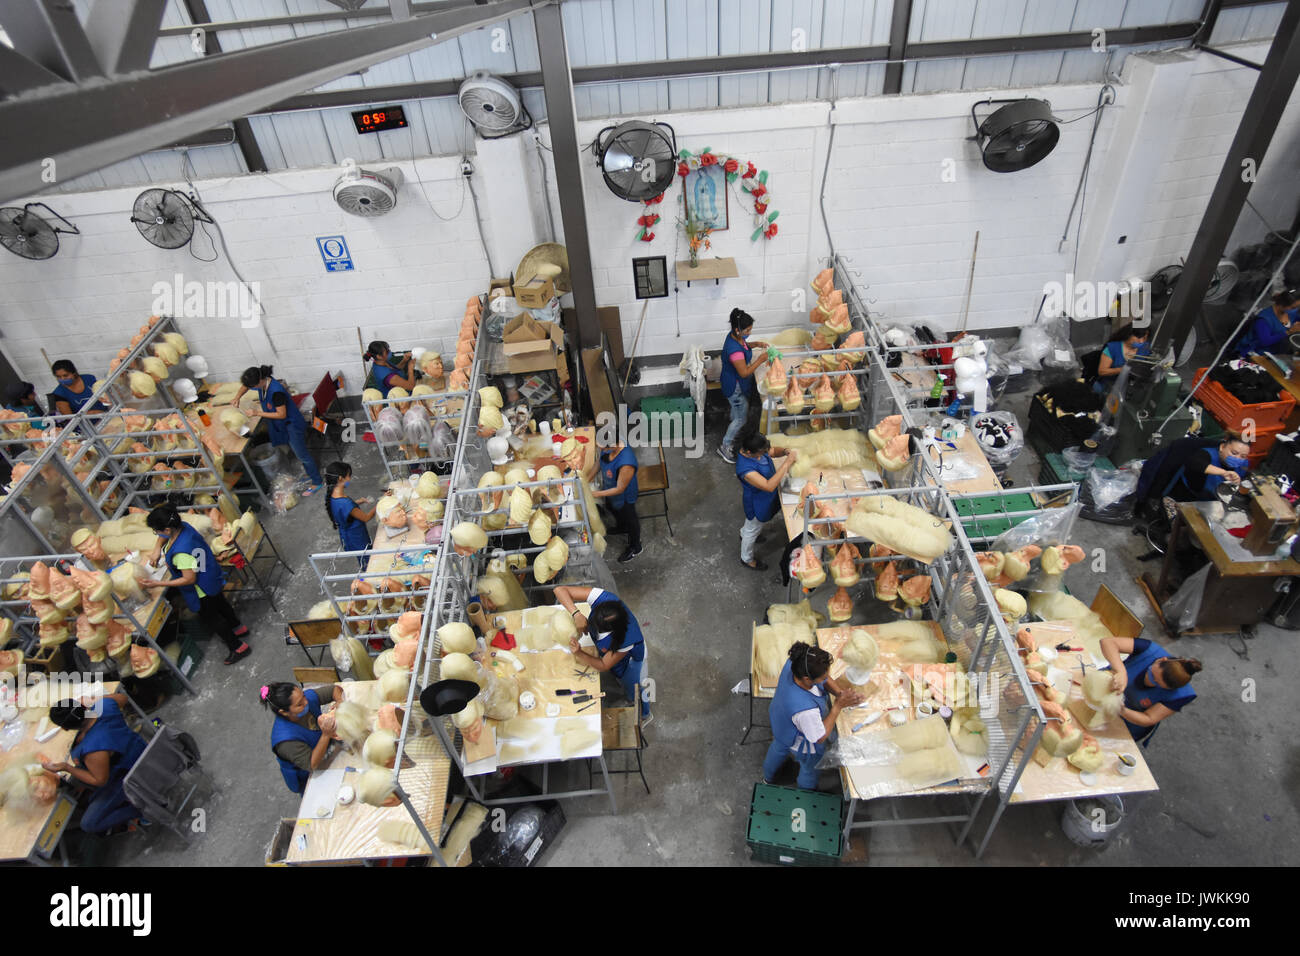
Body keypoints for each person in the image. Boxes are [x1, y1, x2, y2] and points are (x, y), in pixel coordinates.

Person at [142, 504, 251, 665]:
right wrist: (157, 548)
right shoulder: (183, 527)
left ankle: (237, 647)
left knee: (213, 618)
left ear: (166, 529)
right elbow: (164, 535)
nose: (157, 534)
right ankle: (238, 627)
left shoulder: (181, 553)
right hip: (210, 573)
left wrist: (159, 583)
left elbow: (189, 579)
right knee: (221, 603)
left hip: (201, 589)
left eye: (156, 530)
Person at [43, 692, 148, 834]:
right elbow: (123, 698)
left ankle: (142, 809)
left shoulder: (93, 749)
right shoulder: (104, 707)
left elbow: (99, 780)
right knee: (92, 796)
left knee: (90, 824)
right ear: (82, 706)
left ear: (65, 729)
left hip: (130, 776)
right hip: (143, 752)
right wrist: (95, 700)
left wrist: (66, 767)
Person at [763, 643, 862, 790]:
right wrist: (838, 706)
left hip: (780, 720)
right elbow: (819, 737)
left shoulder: (797, 661)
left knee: (779, 746)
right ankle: (806, 791)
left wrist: (840, 694)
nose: (826, 678)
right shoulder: (806, 711)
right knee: (810, 767)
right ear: (807, 679)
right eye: (823, 677)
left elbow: (824, 677)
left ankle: (768, 777)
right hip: (802, 742)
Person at [553, 585, 649, 720]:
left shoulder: (626, 639)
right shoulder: (604, 599)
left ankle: (644, 712)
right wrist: (576, 614)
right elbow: (559, 590)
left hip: (633, 660)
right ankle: (623, 685)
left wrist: (579, 653)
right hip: (614, 655)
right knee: (618, 675)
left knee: (635, 687)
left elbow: (604, 665)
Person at [237, 365, 323, 495]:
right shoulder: (262, 379)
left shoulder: (276, 392)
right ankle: (311, 474)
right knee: (298, 452)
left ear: (260, 381)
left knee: (302, 455)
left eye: (253, 386)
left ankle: (317, 481)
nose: (252, 389)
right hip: (283, 425)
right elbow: (246, 386)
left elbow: (281, 414)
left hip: (292, 425)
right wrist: (237, 397)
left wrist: (257, 413)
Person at [1099, 636, 1200, 745]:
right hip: (1104, 687)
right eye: (1151, 674)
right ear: (1161, 660)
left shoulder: (1180, 695)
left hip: (1127, 721)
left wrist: (1121, 710)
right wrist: (1121, 671)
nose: (1150, 681)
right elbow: (1108, 642)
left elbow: (1149, 718)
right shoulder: (1149, 650)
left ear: (1170, 689)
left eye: (1157, 683)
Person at [261, 681, 345, 794]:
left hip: (324, 749)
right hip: (307, 774)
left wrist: (340, 702)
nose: (306, 702)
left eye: (304, 696)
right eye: (299, 704)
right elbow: (312, 764)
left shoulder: (305, 700)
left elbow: (334, 690)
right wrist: (326, 735)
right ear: (284, 712)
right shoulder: (286, 741)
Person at [1138, 436, 1251, 519]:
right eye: (1234, 453)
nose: (1238, 458)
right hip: (1185, 499)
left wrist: (1240, 482)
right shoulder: (1206, 454)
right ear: (1222, 447)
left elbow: (1244, 482)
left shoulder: (1242, 465)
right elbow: (1195, 463)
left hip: (1212, 504)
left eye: (1243, 456)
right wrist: (1223, 473)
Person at [735, 429, 798, 571]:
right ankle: (746, 558)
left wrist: (785, 451)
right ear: (749, 452)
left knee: (751, 526)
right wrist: (787, 463)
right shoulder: (745, 469)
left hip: (766, 498)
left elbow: (773, 451)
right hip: (757, 502)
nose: (765, 453)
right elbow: (769, 486)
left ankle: (743, 532)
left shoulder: (756, 451)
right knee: (753, 527)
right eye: (761, 452)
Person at [717, 309, 768, 463]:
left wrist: (756, 344)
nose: (749, 333)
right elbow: (744, 372)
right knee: (741, 418)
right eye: (747, 330)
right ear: (737, 330)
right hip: (735, 386)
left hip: (736, 382)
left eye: (750, 329)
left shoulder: (735, 337)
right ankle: (725, 446)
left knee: (737, 411)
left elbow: (744, 346)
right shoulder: (734, 351)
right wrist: (761, 360)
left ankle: (734, 420)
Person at [593, 435, 642, 564]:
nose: (602, 450)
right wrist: (584, 479)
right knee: (611, 507)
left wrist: (596, 494)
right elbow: (599, 463)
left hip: (624, 495)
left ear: (613, 445)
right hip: (610, 488)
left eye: (604, 448)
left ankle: (635, 547)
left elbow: (620, 488)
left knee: (630, 518)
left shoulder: (626, 462)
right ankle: (622, 526)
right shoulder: (609, 446)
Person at [325, 461, 374, 569]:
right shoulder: (346, 503)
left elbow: (343, 509)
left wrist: (357, 502)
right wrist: (379, 505)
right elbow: (366, 517)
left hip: (347, 536)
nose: (349, 479)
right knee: (369, 560)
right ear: (340, 478)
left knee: (361, 557)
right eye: (348, 476)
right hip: (357, 536)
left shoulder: (332, 495)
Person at [1235, 290, 1300, 357]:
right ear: (1281, 305)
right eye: (1293, 307)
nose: (1296, 310)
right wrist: (1288, 332)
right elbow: (1265, 341)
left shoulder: (1290, 314)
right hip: (1256, 354)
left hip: (1277, 352)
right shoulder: (1264, 319)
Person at [1093, 325, 1150, 390]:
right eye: (1138, 337)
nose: (1141, 341)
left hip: (1130, 386)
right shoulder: (1113, 348)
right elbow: (1102, 371)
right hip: (1109, 385)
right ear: (1129, 334)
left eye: (1144, 338)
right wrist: (1123, 369)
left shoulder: (1145, 348)